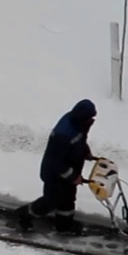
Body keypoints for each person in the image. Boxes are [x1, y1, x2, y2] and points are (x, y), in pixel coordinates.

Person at [18, 99, 97, 235]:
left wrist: (86, 153)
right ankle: (24, 215)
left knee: (68, 198)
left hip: (69, 169)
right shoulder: (64, 133)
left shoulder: (79, 123)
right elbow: (55, 160)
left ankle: (64, 226)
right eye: (90, 117)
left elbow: (80, 140)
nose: (92, 120)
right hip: (55, 173)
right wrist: (72, 176)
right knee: (51, 201)